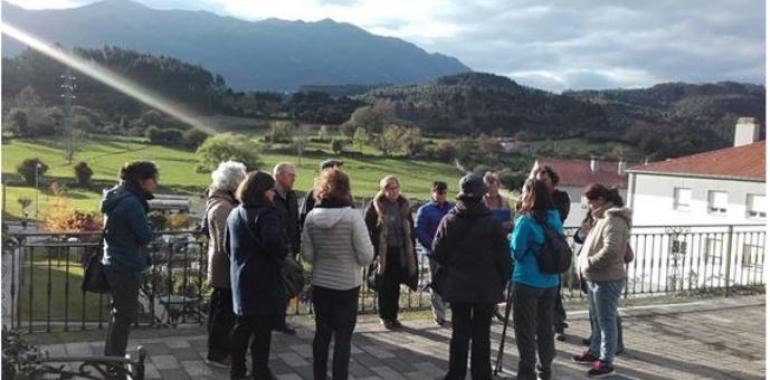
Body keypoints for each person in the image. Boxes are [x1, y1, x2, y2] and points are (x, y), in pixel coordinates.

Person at [431, 174, 512, 380]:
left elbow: (438, 253)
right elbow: (504, 259)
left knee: (459, 333)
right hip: (486, 287)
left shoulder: (449, 220)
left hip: (458, 286)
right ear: (482, 196)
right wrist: (502, 282)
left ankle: (455, 374)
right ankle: (481, 375)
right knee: (482, 334)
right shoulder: (493, 224)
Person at [302, 169, 374, 380]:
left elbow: (307, 255)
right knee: (343, 338)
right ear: (346, 189)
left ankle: (318, 376)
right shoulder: (352, 217)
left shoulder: (311, 217)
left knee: (321, 334)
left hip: (321, 283)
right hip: (347, 285)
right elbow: (366, 256)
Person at [226, 171, 289, 380]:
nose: (274, 194)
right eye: (272, 190)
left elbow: (227, 247)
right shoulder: (266, 214)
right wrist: (282, 251)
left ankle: (237, 371)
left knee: (242, 328)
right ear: (263, 192)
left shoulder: (235, 213)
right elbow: (274, 244)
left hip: (240, 278)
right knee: (262, 332)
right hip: (263, 279)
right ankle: (260, 372)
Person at [572, 184, 632, 377]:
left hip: (606, 279)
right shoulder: (601, 218)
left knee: (606, 322)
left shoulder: (613, 220)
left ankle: (606, 361)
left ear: (599, 200)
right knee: (597, 320)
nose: (588, 206)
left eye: (589, 202)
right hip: (596, 278)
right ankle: (595, 351)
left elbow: (611, 251)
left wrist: (588, 263)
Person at [101, 161, 157, 358]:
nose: (155, 185)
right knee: (124, 315)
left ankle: (111, 355)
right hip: (126, 263)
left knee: (118, 313)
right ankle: (114, 360)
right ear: (142, 181)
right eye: (154, 180)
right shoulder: (132, 203)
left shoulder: (114, 195)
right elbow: (145, 235)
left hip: (112, 260)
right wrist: (150, 226)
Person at [511, 179, 563, 380]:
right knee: (545, 327)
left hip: (527, 280)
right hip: (550, 281)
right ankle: (546, 370)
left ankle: (526, 372)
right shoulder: (554, 217)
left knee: (525, 329)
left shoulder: (526, 220)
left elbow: (517, 251)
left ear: (529, 195)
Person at [204, 161, 246, 368]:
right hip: (224, 270)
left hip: (222, 268)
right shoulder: (223, 207)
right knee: (223, 315)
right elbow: (226, 244)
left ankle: (218, 351)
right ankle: (218, 354)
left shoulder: (221, 202)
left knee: (221, 311)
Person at [364, 175, 419, 329]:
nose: (392, 191)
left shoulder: (403, 204)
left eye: (395, 187)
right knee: (384, 284)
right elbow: (367, 227)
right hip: (383, 250)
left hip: (400, 249)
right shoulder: (376, 205)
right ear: (383, 190)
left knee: (395, 284)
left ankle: (393, 315)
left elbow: (410, 228)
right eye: (388, 188)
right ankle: (384, 315)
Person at [574, 211, 625, 354]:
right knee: (594, 310)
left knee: (609, 312)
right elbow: (578, 237)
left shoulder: (612, 223)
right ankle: (596, 338)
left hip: (603, 273)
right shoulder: (590, 219)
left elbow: (611, 249)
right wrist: (585, 231)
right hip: (588, 271)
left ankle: (615, 344)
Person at [531, 164, 571, 341]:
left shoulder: (561, 197)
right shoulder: (532, 196)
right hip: (537, 246)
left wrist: (544, 200)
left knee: (554, 289)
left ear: (552, 179)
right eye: (539, 180)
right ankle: (538, 325)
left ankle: (558, 323)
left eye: (545, 180)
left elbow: (560, 216)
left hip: (553, 247)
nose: (542, 183)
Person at [415, 181, 454, 326]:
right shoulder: (425, 210)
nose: (441, 195)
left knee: (451, 282)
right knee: (436, 284)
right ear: (433, 193)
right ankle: (439, 315)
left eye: (443, 192)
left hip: (450, 253)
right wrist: (432, 246)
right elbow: (419, 230)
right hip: (434, 253)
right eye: (438, 192)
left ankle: (453, 310)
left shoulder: (452, 208)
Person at [272, 162, 300, 335]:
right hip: (275, 248)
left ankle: (280, 320)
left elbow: (294, 222)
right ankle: (268, 320)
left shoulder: (291, 195)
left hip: (290, 247)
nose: (294, 178)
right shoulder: (269, 195)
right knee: (272, 285)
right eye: (291, 175)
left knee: (288, 285)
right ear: (279, 175)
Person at [300, 159, 344, 226]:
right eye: (338, 171)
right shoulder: (313, 193)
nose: (341, 174)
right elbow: (305, 218)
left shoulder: (344, 194)